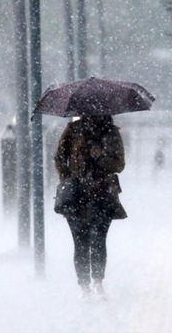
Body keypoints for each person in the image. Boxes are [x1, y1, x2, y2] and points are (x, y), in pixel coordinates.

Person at [54, 115, 127, 300]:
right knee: (80, 242)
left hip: (102, 194)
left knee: (99, 240)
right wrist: (68, 178)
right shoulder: (73, 130)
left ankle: (98, 282)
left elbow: (119, 165)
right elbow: (59, 157)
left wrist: (101, 156)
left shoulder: (111, 132)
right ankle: (84, 286)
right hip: (76, 196)